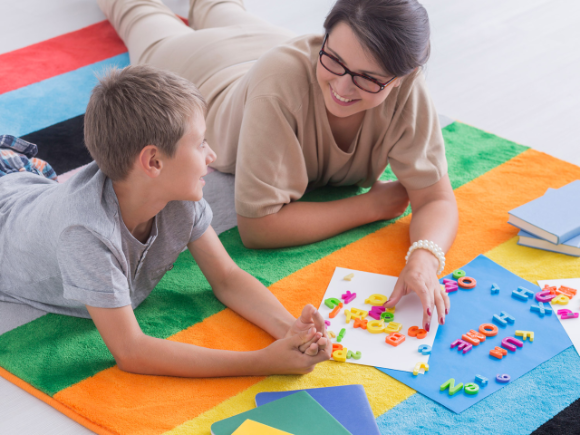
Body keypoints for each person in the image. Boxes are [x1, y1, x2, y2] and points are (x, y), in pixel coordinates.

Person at [99, 0, 457, 330]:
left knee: (218, 5)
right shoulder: (281, 84)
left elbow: (436, 200)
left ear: (403, 76)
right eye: (332, 57)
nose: (343, 87)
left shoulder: (407, 89)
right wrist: (372, 205)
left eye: (367, 77)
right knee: (138, 12)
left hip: (264, 44)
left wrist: (424, 259)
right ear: (324, 39)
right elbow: (259, 226)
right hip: (202, 68)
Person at [0, 65, 330, 377]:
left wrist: (292, 332)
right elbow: (131, 351)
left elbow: (227, 277)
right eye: (200, 143)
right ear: (154, 162)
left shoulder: (179, 197)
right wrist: (262, 361)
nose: (211, 155)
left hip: (26, 187)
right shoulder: (86, 234)